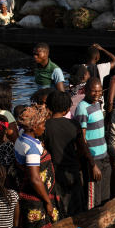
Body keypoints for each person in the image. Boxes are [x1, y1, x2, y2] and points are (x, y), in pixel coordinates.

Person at [44, 90, 98, 218]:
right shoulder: (73, 124)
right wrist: (92, 164)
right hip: (72, 171)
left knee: (60, 208)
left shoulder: (45, 126)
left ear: (49, 106)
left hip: (54, 174)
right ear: (67, 109)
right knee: (76, 207)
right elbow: (83, 148)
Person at [15, 104, 62, 228]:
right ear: (34, 127)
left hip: (27, 194)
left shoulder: (21, 137)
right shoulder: (32, 150)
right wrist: (47, 202)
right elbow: (35, 179)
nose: (44, 127)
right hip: (36, 199)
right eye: (42, 124)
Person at [75, 78, 112, 209]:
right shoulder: (82, 108)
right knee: (93, 201)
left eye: (99, 91)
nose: (97, 94)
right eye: (93, 91)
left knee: (105, 197)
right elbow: (81, 139)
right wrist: (92, 165)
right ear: (86, 91)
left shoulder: (96, 104)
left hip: (104, 156)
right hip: (93, 161)